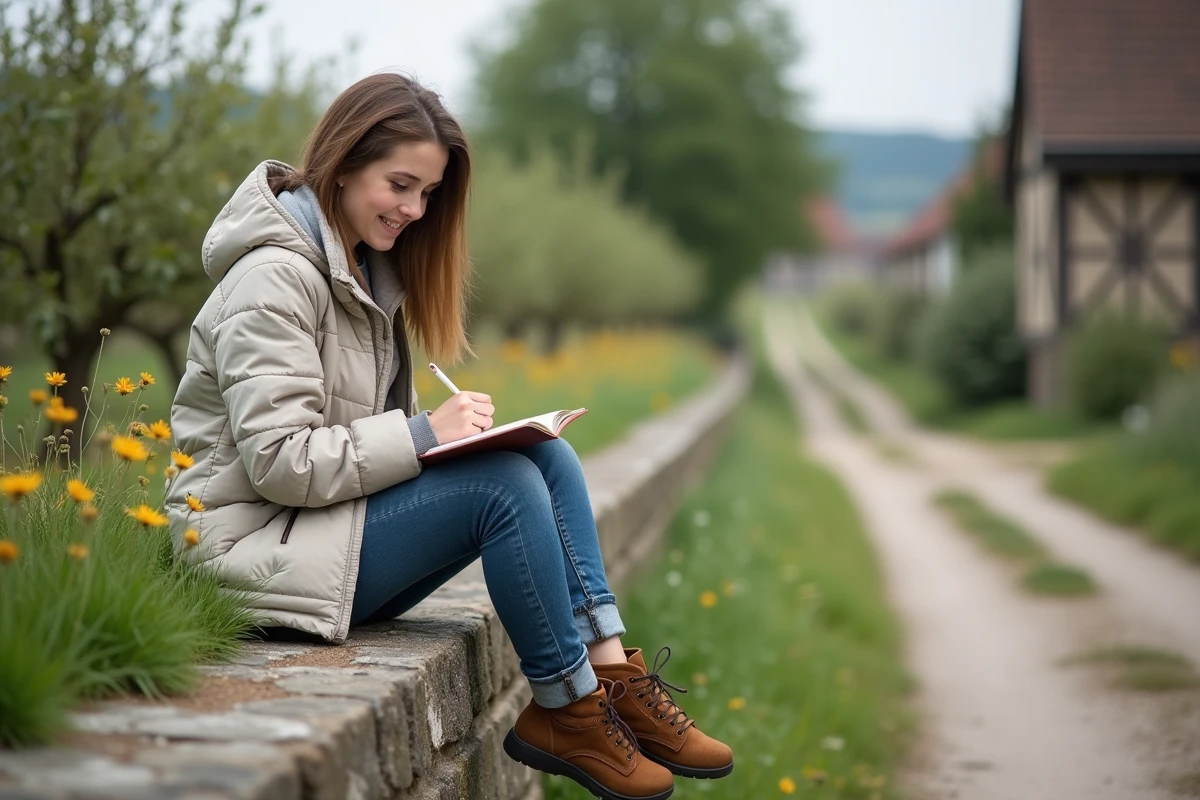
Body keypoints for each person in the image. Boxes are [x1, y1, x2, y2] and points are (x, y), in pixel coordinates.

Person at [166, 72, 732, 800]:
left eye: (427, 194)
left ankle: (610, 677)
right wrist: (426, 432)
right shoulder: (274, 280)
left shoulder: (363, 278)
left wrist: (441, 440)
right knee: (502, 487)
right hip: (246, 554)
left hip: (313, 535)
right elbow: (279, 463)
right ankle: (565, 706)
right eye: (400, 184)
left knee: (543, 455)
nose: (414, 209)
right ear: (342, 165)